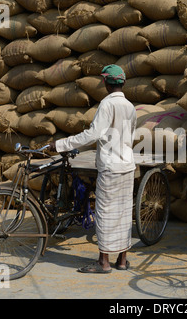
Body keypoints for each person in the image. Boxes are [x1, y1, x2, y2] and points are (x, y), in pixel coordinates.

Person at [49, 65, 137, 274]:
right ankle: (122, 260)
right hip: (127, 163)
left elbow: (93, 134)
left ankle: (103, 263)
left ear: (106, 83)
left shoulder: (107, 105)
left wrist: (61, 144)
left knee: (105, 212)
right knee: (124, 212)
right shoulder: (130, 106)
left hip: (111, 165)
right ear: (123, 83)